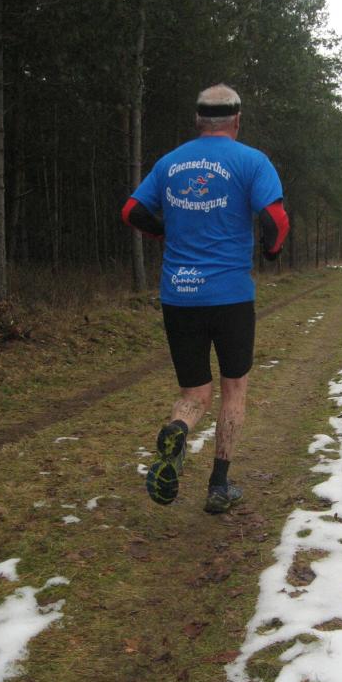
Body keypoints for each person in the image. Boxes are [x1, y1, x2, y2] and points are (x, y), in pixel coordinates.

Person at [122, 84, 289, 513]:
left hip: (179, 295)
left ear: (198, 120)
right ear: (237, 120)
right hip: (230, 296)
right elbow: (275, 219)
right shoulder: (252, 161)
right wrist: (272, 252)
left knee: (195, 392)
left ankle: (179, 427)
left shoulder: (169, 163)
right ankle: (218, 485)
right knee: (234, 388)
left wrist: (164, 231)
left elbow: (131, 211)